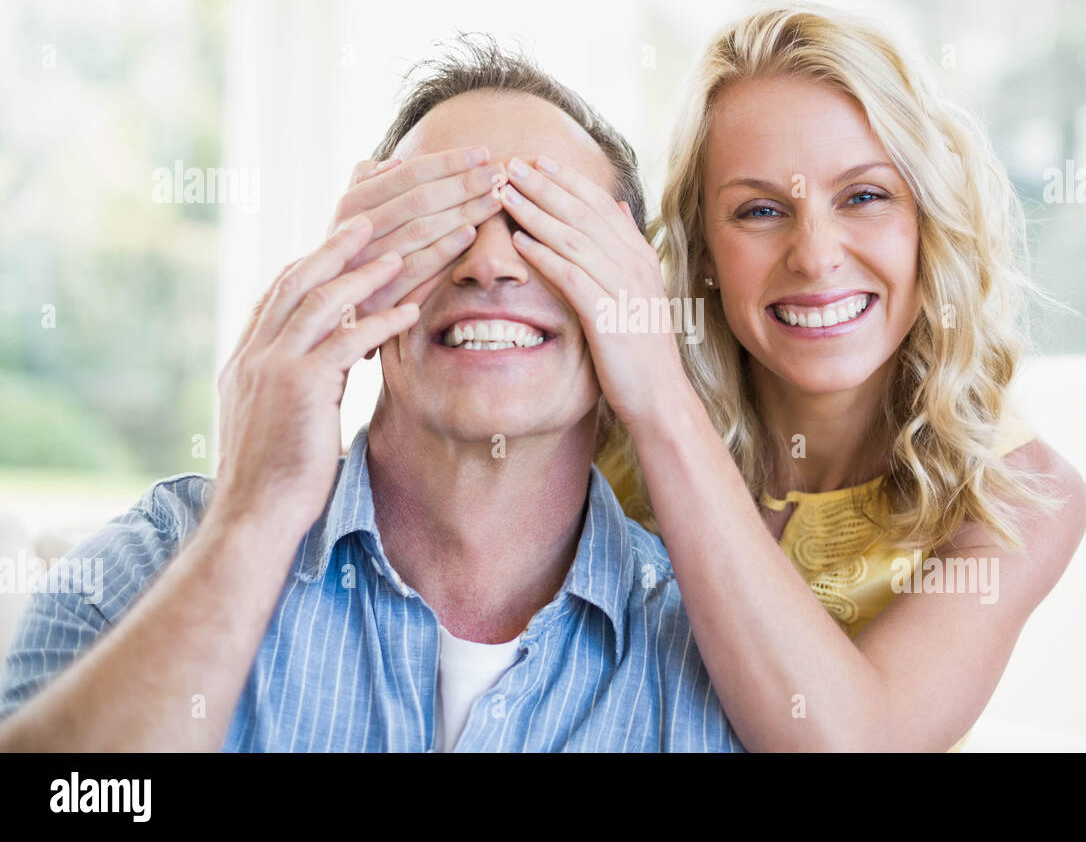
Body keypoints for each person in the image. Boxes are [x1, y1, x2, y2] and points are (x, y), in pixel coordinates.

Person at [0, 38, 743, 752]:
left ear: (637, 291)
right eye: (440, 221)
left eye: (547, 224)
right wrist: (253, 519)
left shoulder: (722, 664)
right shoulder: (144, 570)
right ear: (350, 270)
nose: (489, 263)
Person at [492, 3, 1086, 752]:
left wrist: (662, 406)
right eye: (761, 210)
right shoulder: (602, 421)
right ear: (702, 249)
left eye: (865, 196)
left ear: (927, 220)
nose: (815, 256)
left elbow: (854, 743)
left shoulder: (1022, 500)